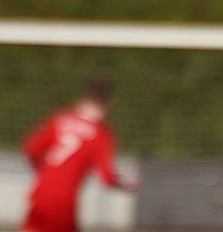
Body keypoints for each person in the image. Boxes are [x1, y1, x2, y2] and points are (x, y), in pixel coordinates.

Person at [22, 79, 137, 232]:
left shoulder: (60, 119)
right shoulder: (100, 134)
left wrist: (42, 171)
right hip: (63, 201)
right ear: (106, 103)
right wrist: (126, 184)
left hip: (40, 193)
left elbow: (31, 149)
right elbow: (107, 177)